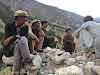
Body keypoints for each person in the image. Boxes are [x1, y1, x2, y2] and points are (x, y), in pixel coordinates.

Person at [3, 10, 33, 74]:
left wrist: (13, 37)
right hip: (10, 48)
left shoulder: (25, 27)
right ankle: (27, 61)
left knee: (20, 41)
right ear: (19, 18)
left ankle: (15, 71)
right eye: (24, 17)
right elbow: (6, 41)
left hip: (19, 47)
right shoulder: (9, 26)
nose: (26, 19)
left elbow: (24, 39)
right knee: (21, 39)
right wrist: (14, 37)